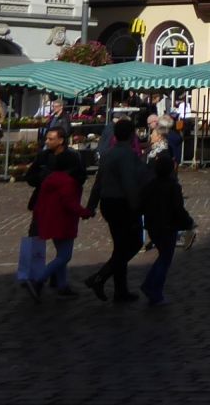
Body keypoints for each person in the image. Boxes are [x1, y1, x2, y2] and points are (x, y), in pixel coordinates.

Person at [84, 118, 145, 302]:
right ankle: (100, 277)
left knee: (120, 246)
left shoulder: (109, 154)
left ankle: (120, 290)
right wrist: (136, 207)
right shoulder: (127, 155)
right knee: (133, 243)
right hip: (122, 203)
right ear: (132, 134)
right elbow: (129, 184)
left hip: (107, 203)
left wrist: (91, 205)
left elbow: (98, 182)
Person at [24, 126, 89, 297]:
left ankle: (60, 284)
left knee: (62, 250)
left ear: (61, 140)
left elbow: (80, 178)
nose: (47, 142)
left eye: (51, 139)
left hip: (61, 206)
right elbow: (30, 176)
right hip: (42, 204)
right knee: (36, 239)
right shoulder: (43, 156)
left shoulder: (72, 158)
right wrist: (43, 181)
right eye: (47, 139)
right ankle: (34, 276)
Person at [139, 152, 192, 306]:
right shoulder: (173, 187)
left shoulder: (149, 186)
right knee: (165, 258)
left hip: (152, 225)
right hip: (168, 226)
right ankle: (153, 289)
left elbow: (142, 205)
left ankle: (150, 285)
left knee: (163, 256)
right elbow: (178, 209)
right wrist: (188, 222)